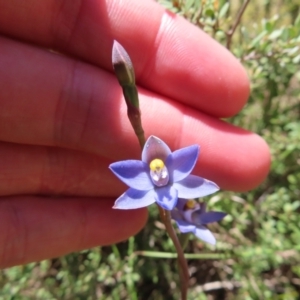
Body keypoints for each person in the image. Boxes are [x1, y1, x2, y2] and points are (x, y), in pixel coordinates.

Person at [0, 0, 270, 268]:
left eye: (161, 167)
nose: (159, 170)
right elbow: (135, 189)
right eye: (156, 168)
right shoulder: (141, 183)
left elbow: (191, 182)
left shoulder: (181, 176)